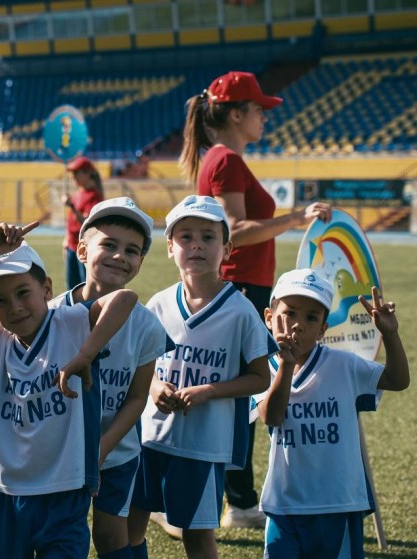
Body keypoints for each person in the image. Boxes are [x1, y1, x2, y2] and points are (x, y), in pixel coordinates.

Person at [180, 70, 331, 529]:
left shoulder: (226, 159)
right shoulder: (225, 160)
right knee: (243, 391)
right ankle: (238, 501)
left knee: (243, 391)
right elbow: (236, 231)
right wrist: (295, 217)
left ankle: (237, 499)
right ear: (236, 113)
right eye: (258, 109)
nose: (265, 117)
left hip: (246, 288)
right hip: (240, 287)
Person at [0, 223, 138, 558]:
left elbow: (125, 298)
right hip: (5, 491)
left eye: (22, 292)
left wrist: (85, 355)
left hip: (64, 490)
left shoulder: (71, 322)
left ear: (47, 288)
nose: (14, 307)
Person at [129, 195, 276, 558]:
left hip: (203, 446)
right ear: (169, 248)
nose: (196, 244)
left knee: (197, 535)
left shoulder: (241, 311)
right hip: (149, 438)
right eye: (186, 237)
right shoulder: (159, 303)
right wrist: (153, 386)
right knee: (130, 525)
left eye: (208, 237)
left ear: (226, 249)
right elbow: (137, 367)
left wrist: (211, 390)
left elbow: (260, 378)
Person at [50, 197, 173, 559]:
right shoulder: (54, 314)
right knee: (58, 532)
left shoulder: (147, 324)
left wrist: (102, 447)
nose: (121, 256)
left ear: (140, 263)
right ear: (82, 250)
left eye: (132, 250)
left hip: (117, 452)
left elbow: (138, 397)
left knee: (109, 535)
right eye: (110, 245)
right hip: (58, 454)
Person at [255, 269, 409, 558]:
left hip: (338, 502)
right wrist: (286, 367)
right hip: (284, 502)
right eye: (290, 313)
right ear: (268, 316)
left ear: (323, 329)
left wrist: (390, 334)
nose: (298, 325)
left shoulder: (344, 365)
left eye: (311, 318)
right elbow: (271, 417)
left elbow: (398, 381)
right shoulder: (261, 368)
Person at [63, 156, 104, 290]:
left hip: (85, 247)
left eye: (76, 173)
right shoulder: (78, 193)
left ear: (87, 173)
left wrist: (72, 206)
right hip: (71, 245)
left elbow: (87, 221)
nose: (73, 177)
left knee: (85, 286)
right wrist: (66, 239)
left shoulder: (95, 196)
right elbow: (71, 221)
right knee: (72, 287)